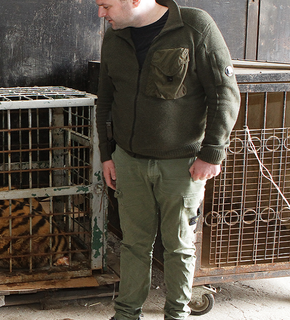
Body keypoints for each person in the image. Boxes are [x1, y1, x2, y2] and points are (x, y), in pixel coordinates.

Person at [94, 0, 240, 319]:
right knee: (134, 244)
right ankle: (127, 313)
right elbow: (105, 100)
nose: (101, 14)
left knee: (178, 246)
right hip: (128, 161)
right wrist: (107, 154)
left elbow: (225, 93)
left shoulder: (194, 26)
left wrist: (212, 152)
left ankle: (177, 313)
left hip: (183, 163)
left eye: (105, 5)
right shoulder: (114, 38)